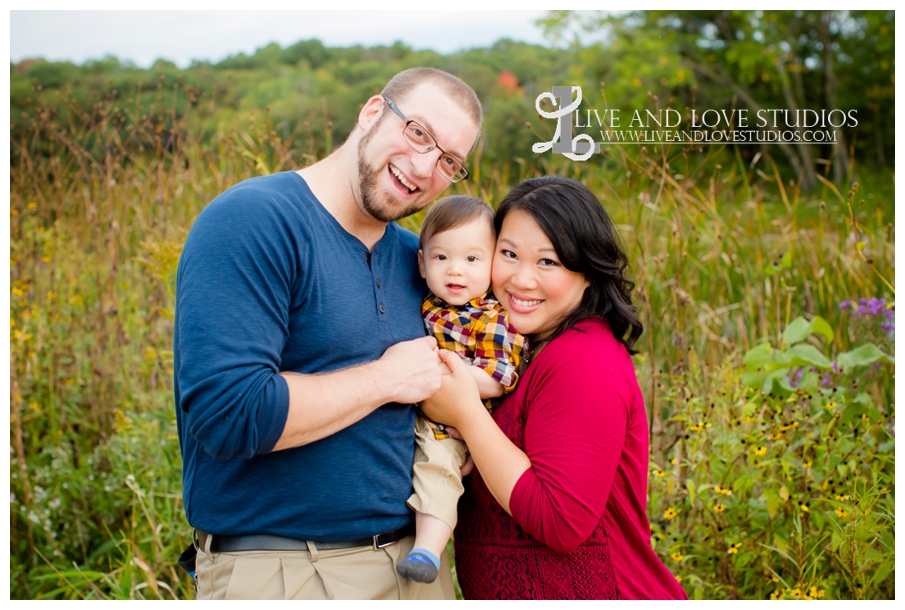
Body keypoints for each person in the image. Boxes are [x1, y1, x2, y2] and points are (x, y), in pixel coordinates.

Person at [173, 67, 482, 600]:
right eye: (418, 133)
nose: (426, 166)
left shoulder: (423, 260)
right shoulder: (255, 220)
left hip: (414, 568)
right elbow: (228, 415)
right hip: (283, 569)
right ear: (371, 113)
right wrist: (385, 379)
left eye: (449, 161)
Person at [420, 176, 688, 600]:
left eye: (548, 262)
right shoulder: (519, 347)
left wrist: (467, 416)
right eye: (508, 254)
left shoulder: (585, 359)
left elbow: (561, 522)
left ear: (587, 271)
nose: (522, 280)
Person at [396, 196, 525, 583]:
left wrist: (448, 377)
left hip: (452, 423)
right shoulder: (427, 305)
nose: (456, 270)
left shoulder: (492, 317)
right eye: (441, 258)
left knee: (439, 468)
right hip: (416, 413)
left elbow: (500, 376)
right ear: (422, 262)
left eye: (472, 260)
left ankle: (428, 550)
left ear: (491, 265)